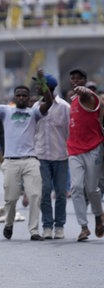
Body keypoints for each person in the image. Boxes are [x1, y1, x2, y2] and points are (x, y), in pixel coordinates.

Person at [0, 68, 53, 241]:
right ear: (14, 98)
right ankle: (9, 223)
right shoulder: (6, 111)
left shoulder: (34, 113)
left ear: (28, 99)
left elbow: (48, 102)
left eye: (24, 96)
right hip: (11, 161)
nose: (21, 98)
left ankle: (34, 230)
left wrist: (42, 82)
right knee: (11, 198)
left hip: (30, 160)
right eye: (18, 95)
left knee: (35, 195)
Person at [67, 68, 104, 241]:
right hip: (74, 149)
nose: (75, 81)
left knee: (91, 189)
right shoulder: (73, 100)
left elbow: (85, 94)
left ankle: (98, 215)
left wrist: (84, 90)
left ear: (84, 80)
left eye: (79, 79)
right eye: (72, 79)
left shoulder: (90, 97)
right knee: (76, 188)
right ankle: (83, 227)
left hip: (93, 148)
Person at [32, 74, 70, 240]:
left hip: (61, 156)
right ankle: (47, 226)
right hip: (41, 156)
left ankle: (59, 226)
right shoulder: (36, 106)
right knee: (45, 191)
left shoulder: (64, 107)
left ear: (48, 87)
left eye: (40, 84)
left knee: (61, 193)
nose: (37, 87)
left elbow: (70, 132)